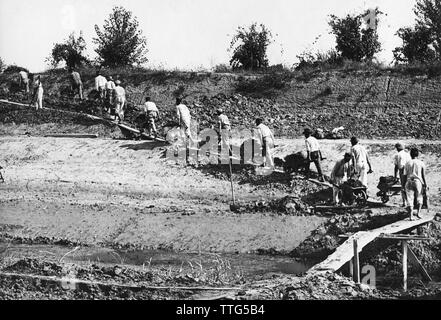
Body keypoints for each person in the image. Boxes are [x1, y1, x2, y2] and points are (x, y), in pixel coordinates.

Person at [403, 148, 427, 220]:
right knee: (419, 197)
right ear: (418, 155)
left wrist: (403, 184)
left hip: (409, 180)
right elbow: (423, 175)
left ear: (410, 155)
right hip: (418, 181)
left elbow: (404, 175)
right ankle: (418, 213)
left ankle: (411, 216)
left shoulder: (407, 163)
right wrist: (425, 184)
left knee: (410, 198)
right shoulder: (421, 163)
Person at [393, 142, 411, 207]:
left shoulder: (397, 155)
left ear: (397, 148)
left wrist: (395, 175)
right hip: (410, 171)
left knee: (403, 187)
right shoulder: (407, 154)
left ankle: (404, 202)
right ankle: (410, 202)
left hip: (403, 171)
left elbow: (396, 166)